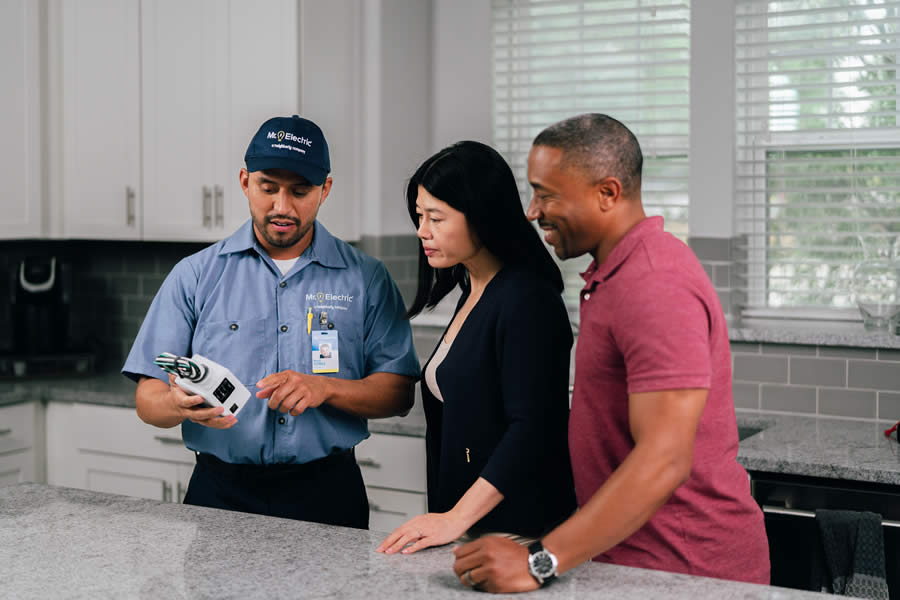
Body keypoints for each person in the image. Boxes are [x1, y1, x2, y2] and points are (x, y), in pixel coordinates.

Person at [451, 114, 769, 592]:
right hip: (633, 561)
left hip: (688, 570)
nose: (533, 211)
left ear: (608, 192)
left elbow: (664, 458)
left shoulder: (654, 282)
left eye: (547, 193)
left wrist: (540, 560)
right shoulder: (613, 276)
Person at [122, 115, 420, 529]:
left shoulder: (365, 279)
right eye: (268, 188)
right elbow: (147, 398)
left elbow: (398, 393)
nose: (282, 207)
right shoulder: (195, 275)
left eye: (300, 191)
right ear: (244, 182)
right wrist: (177, 404)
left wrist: (325, 387)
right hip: (218, 494)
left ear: (324, 190)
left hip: (328, 494)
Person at [375, 141, 576, 557]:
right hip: (471, 532)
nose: (421, 231)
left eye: (435, 217)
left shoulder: (527, 299)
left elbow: (533, 430)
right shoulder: (474, 289)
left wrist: (457, 518)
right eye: (418, 216)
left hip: (517, 537)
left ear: (482, 217)